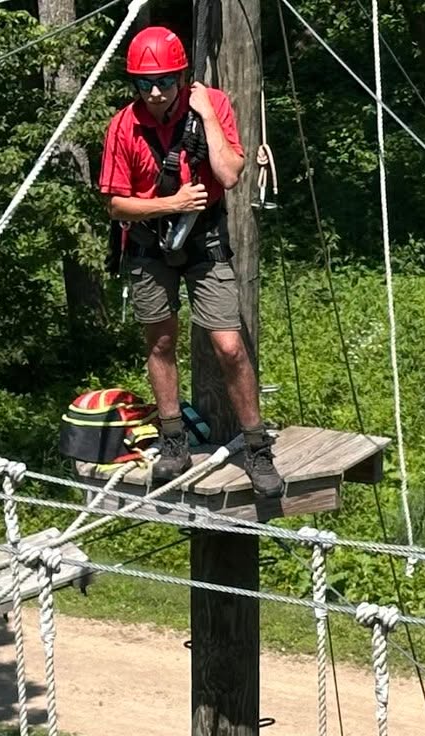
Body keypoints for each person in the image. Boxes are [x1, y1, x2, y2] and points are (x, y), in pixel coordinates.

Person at [97, 24, 285, 502]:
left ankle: (256, 446)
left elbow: (228, 174)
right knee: (160, 341)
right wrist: (172, 203)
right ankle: (174, 439)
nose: (155, 91)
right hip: (148, 240)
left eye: (164, 80)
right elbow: (118, 205)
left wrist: (206, 115)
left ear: (181, 76)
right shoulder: (122, 126)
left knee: (229, 346)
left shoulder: (212, 104)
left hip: (204, 240)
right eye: (144, 83)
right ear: (133, 84)